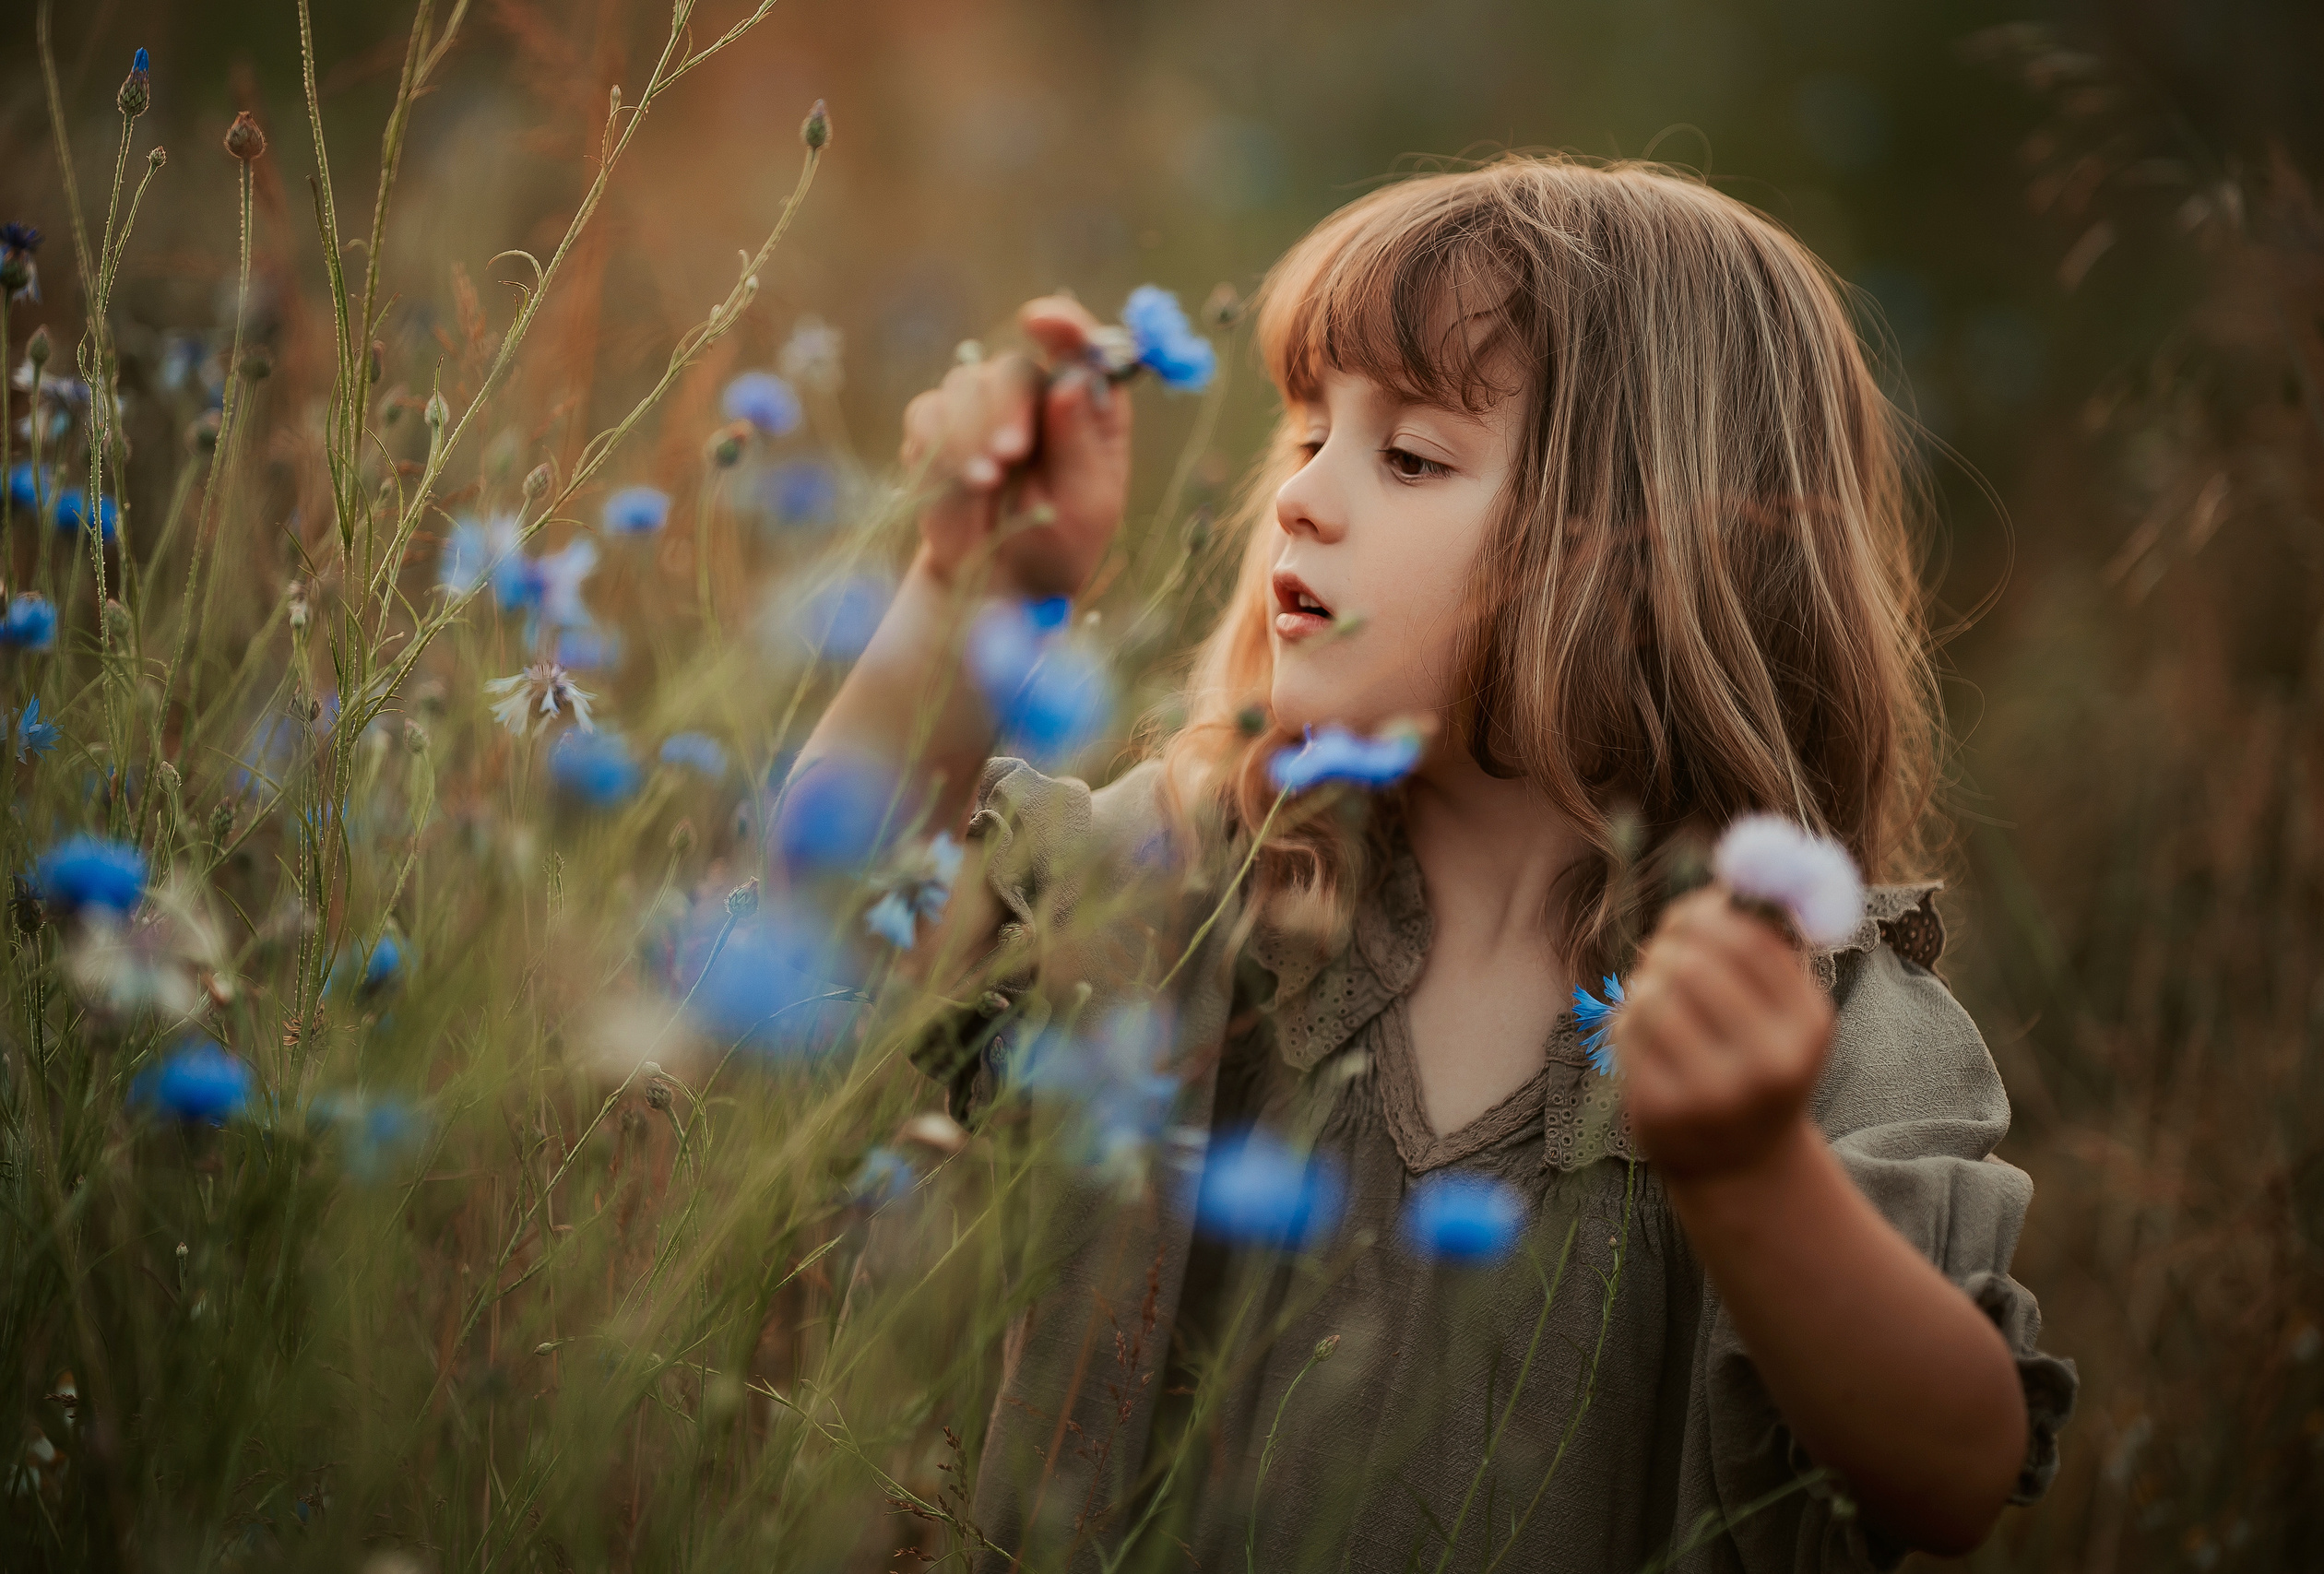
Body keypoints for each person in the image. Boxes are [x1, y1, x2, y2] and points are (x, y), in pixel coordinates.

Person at [778, 154, 2077, 1573]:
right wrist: (971, 596)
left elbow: (1953, 1473)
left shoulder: (1802, 1021)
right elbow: (819, 934)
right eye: (1306, 437)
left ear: (1651, 556)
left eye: (1409, 457)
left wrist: (1757, 1177)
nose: (1305, 501)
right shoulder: (1197, 880)